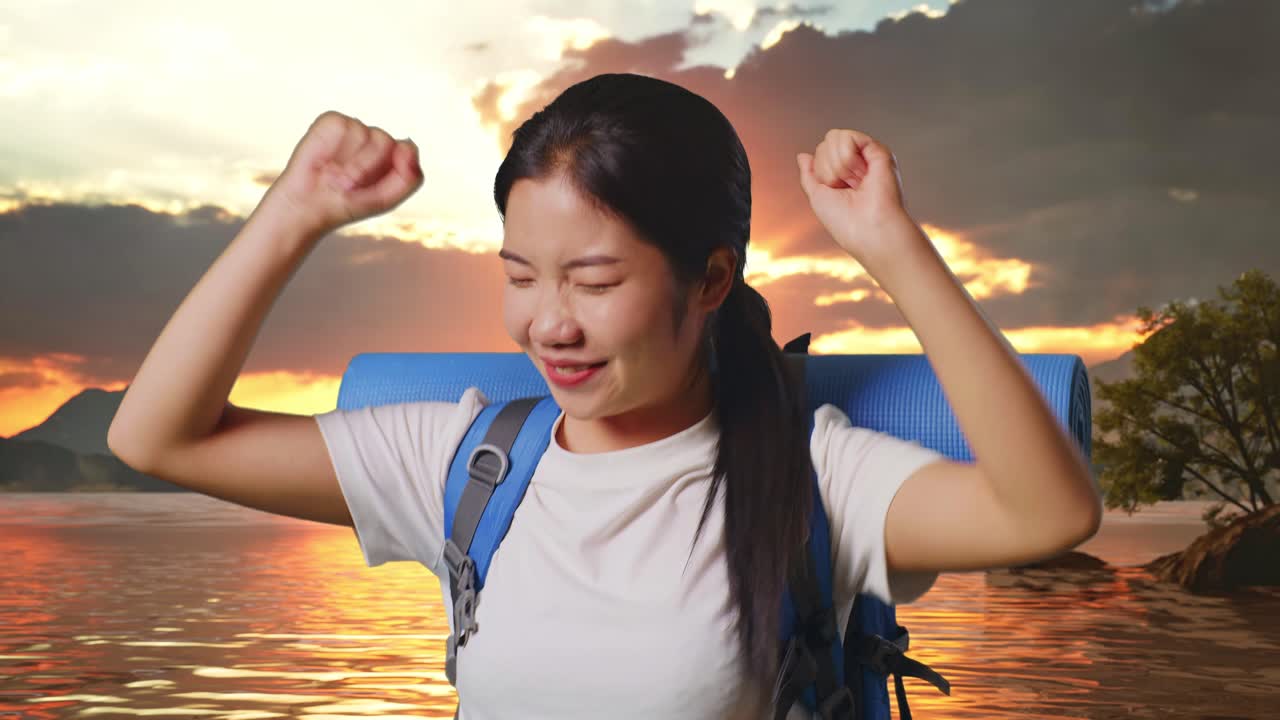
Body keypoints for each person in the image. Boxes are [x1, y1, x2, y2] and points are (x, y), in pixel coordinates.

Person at [108, 72, 1102, 718]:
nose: (548, 323)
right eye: (519, 275)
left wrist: (892, 248)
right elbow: (158, 438)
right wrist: (294, 212)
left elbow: (1046, 512)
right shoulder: (467, 467)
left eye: (592, 281)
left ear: (708, 281)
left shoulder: (811, 482)